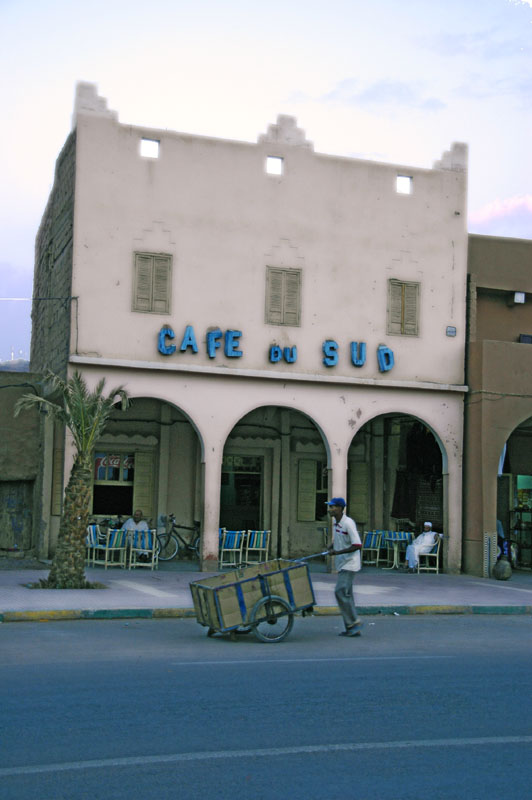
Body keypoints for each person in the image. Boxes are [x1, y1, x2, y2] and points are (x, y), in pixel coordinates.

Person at [325, 497, 363, 637]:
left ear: (340, 508)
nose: (330, 509)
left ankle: (354, 622)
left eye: (332, 507)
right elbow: (338, 538)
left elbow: (357, 545)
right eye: (329, 507)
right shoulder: (336, 522)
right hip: (342, 563)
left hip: (350, 564)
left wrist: (337, 552)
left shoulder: (348, 523)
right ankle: (352, 628)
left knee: (340, 591)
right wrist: (332, 545)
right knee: (347, 595)